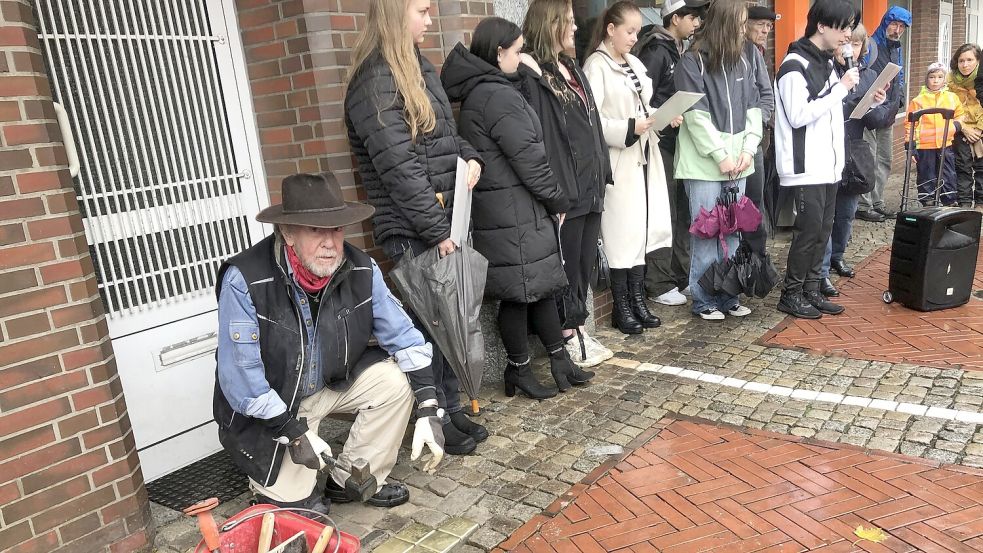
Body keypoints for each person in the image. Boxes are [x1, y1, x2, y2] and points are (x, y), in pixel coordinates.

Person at [213, 173, 445, 514]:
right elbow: (242, 381)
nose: (330, 243)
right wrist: (291, 431)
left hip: (330, 383)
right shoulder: (245, 279)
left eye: (336, 229)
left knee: (394, 382)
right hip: (274, 403)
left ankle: (350, 478)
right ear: (288, 233)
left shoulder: (361, 268)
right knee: (295, 510)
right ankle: (280, 488)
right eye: (316, 230)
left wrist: (428, 407)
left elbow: (405, 338)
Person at [344, 0, 487, 455]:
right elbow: (398, 170)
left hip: (441, 218)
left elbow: (446, 135)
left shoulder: (415, 67)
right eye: (422, 10)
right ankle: (440, 413)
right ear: (394, 12)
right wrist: (437, 231)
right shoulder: (374, 81)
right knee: (431, 323)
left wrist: (472, 159)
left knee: (446, 318)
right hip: (415, 227)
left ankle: (452, 406)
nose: (429, 20)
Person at [441, 17, 590, 396]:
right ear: (499, 52)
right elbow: (530, 159)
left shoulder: (490, 90)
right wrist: (557, 199)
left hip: (512, 207)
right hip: (512, 209)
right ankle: (519, 370)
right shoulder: (495, 95)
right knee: (519, 292)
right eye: (518, 51)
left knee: (538, 286)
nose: (522, 58)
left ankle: (558, 360)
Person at [518, 0, 614, 368]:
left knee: (584, 263)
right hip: (564, 189)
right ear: (550, 24)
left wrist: (602, 171)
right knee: (567, 263)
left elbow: (592, 125)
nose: (575, 28)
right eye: (568, 21)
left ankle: (578, 326)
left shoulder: (571, 66)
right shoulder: (535, 73)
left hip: (590, 184)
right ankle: (566, 334)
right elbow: (541, 135)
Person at [583, 1, 671, 335]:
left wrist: (662, 116)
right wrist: (629, 127)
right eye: (629, 30)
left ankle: (637, 299)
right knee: (621, 234)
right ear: (611, 29)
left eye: (637, 30)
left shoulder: (633, 62)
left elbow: (645, 107)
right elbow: (593, 122)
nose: (635, 37)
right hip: (617, 162)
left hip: (642, 159)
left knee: (639, 230)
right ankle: (622, 305)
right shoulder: (596, 66)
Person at [673, 0, 761, 321]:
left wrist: (749, 149)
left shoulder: (744, 59)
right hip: (706, 165)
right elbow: (695, 116)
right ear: (725, 23)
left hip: (739, 161)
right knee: (707, 233)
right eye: (739, 23)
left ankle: (729, 295)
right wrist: (721, 155)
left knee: (734, 232)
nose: (744, 29)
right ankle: (703, 298)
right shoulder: (692, 62)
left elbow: (754, 108)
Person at [775, 0, 859, 319]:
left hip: (828, 164)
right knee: (807, 232)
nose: (847, 34)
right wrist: (840, 89)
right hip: (804, 165)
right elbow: (798, 115)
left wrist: (852, 94)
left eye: (851, 27)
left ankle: (811, 288)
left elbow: (827, 109)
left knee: (823, 230)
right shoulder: (795, 65)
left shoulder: (825, 61)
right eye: (843, 27)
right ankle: (791, 293)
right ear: (822, 26)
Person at [634, 0, 708, 307]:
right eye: (691, 17)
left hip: (677, 142)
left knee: (681, 210)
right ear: (674, 18)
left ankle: (679, 275)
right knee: (664, 213)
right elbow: (641, 99)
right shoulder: (656, 50)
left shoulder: (679, 49)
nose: (696, 23)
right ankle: (659, 280)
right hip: (658, 142)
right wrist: (664, 115)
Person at [819, 24, 893, 297]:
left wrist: (877, 102)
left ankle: (838, 255)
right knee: (826, 214)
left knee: (846, 212)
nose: (849, 50)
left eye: (857, 45)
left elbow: (876, 120)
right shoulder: (825, 71)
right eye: (845, 44)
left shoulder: (869, 74)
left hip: (855, 148)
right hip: (827, 148)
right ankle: (823, 269)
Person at [855, 6, 911, 223]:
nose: (897, 30)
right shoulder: (871, 46)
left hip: (888, 111)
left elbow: (899, 73)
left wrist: (900, 97)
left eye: (901, 27)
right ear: (885, 22)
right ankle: (864, 204)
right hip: (870, 110)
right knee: (868, 158)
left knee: (884, 159)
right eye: (894, 24)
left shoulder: (896, 47)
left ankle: (877, 202)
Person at [742, 5, 776, 257]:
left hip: (752, 138)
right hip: (728, 140)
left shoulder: (756, 52)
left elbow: (766, 94)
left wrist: (759, 122)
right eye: (761, 25)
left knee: (755, 199)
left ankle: (756, 259)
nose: (766, 30)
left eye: (770, 26)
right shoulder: (742, 50)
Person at [905, 63, 964, 206]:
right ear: (927, 79)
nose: (936, 80)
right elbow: (910, 124)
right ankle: (928, 201)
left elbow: (961, 115)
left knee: (947, 173)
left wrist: (955, 126)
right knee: (927, 174)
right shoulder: (918, 101)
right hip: (925, 145)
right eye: (932, 77)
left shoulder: (951, 98)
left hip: (945, 144)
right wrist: (910, 146)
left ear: (945, 79)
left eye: (939, 77)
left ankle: (949, 200)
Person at [950, 44, 983, 208]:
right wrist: (963, 127)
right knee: (962, 166)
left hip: (981, 129)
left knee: (981, 168)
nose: (965, 64)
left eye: (970, 60)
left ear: (978, 61)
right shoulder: (949, 82)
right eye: (961, 60)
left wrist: (978, 130)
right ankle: (964, 202)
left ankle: (980, 203)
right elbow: (948, 108)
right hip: (961, 129)